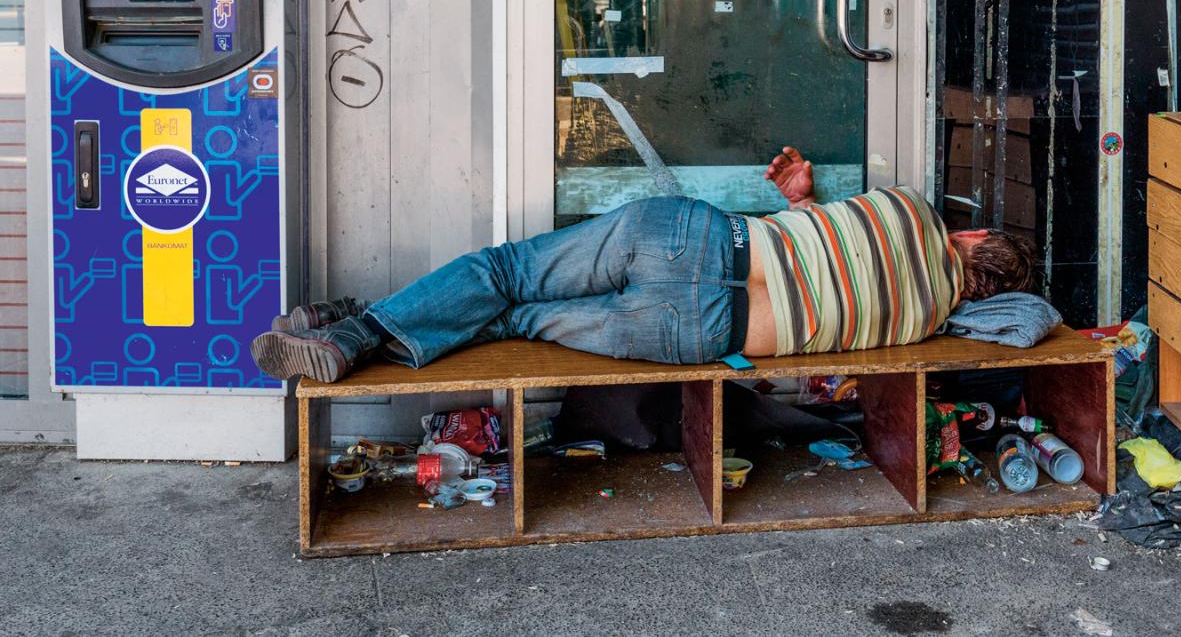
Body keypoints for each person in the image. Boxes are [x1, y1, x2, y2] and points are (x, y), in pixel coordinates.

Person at [252, 147, 1038, 383]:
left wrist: (801, 198)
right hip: (691, 332)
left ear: (971, 236)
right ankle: (348, 333)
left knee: (502, 276)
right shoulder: (923, 321)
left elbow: (830, 243)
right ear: (979, 293)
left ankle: (351, 328)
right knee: (515, 317)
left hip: (694, 240)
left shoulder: (907, 208)